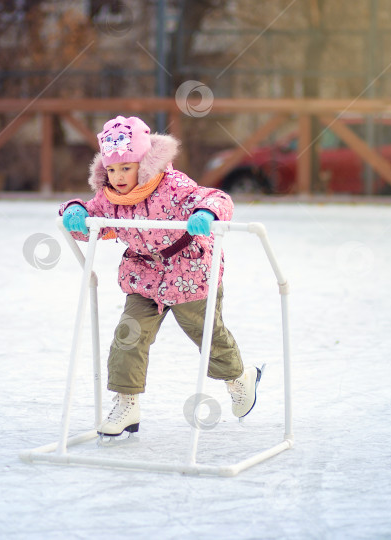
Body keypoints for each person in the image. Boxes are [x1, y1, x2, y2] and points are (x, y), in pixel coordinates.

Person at [59, 115, 262, 438]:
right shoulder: (111, 198)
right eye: (111, 170)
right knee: (129, 335)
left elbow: (217, 198)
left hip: (189, 270)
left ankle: (239, 378)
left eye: (126, 167)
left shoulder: (173, 186)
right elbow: (94, 224)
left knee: (206, 334)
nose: (118, 177)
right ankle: (127, 404)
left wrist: (204, 213)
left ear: (144, 162)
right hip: (144, 275)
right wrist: (76, 212)